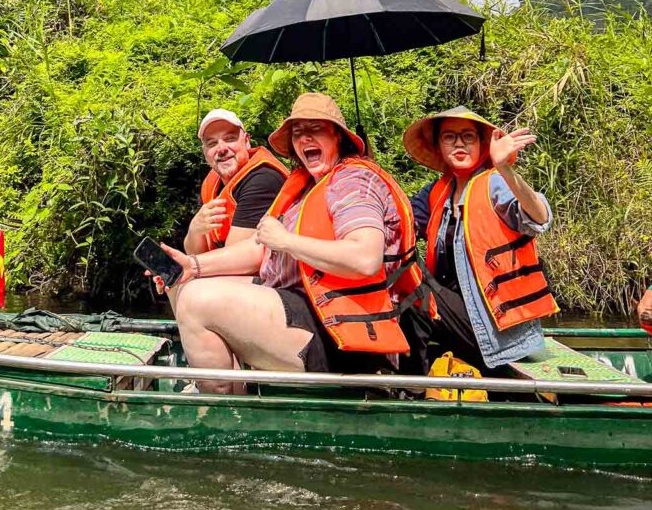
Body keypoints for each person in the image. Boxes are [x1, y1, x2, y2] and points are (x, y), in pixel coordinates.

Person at [169, 93, 426, 393]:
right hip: (308, 309)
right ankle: (229, 395)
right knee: (186, 284)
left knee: (195, 301)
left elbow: (364, 258)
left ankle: (224, 413)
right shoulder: (307, 186)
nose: (306, 138)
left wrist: (288, 241)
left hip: (344, 338)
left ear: (338, 138)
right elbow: (261, 249)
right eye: (299, 133)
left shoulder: (352, 182)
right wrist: (193, 265)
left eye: (316, 129)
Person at [402, 106, 558, 373]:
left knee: (415, 290)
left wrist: (505, 169)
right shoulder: (438, 191)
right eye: (449, 137)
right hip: (457, 315)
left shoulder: (495, 183)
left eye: (468, 136)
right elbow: (401, 222)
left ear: (482, 145)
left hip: (497, 331)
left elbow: (540, 217)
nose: (459, 143)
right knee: (400, 273)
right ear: (439, 146)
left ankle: (413, 386)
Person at [156, 109, 288, 295]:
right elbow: (194, 250)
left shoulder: (262, 180)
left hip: (275, 280)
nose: (222, 148)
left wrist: (191, 266)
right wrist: (195, 230)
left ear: (247, 141)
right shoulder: (213, 182)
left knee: (190, 286)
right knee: (174, 282)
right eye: (212, 143)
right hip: (239, 275)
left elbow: (237, 257)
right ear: (205, 152)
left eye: (230, 138)